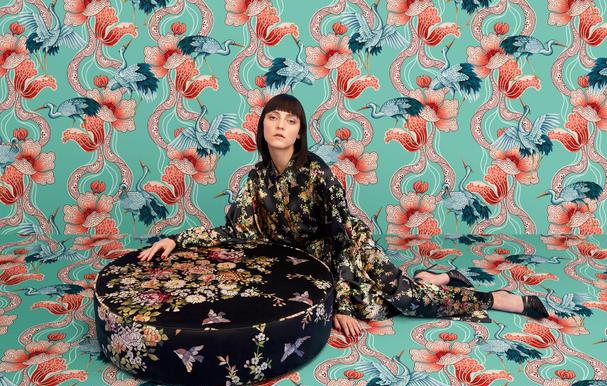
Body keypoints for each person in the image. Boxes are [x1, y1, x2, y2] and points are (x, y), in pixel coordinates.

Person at [138, 93, 549, 339]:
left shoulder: (316, 173)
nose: (280, 125)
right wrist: (177, 239)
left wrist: (343, 303)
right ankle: (438, 277)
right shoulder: (255, 179)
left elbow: (342, 237)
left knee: (401, 301)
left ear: (299, 132)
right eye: (273, 118)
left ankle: (496, 298)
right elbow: (235, 232)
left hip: (349, 250)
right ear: (262, 128)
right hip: (307, 264)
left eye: (290, 120)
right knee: (378, 306)